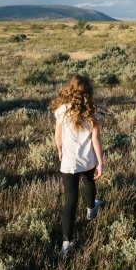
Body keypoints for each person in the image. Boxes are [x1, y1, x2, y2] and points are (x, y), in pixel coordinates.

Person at [51, 75, 105, 258]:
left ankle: (67, 242)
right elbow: (95, 140)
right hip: (88, 160)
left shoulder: (61, 110)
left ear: (70, 90)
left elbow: (58, 136)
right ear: (89, 93)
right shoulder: (93, 112)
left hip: (68, 162)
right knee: (90, 182)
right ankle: (91, 209)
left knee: (70, 200)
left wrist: (60, 150)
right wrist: (100, 162)